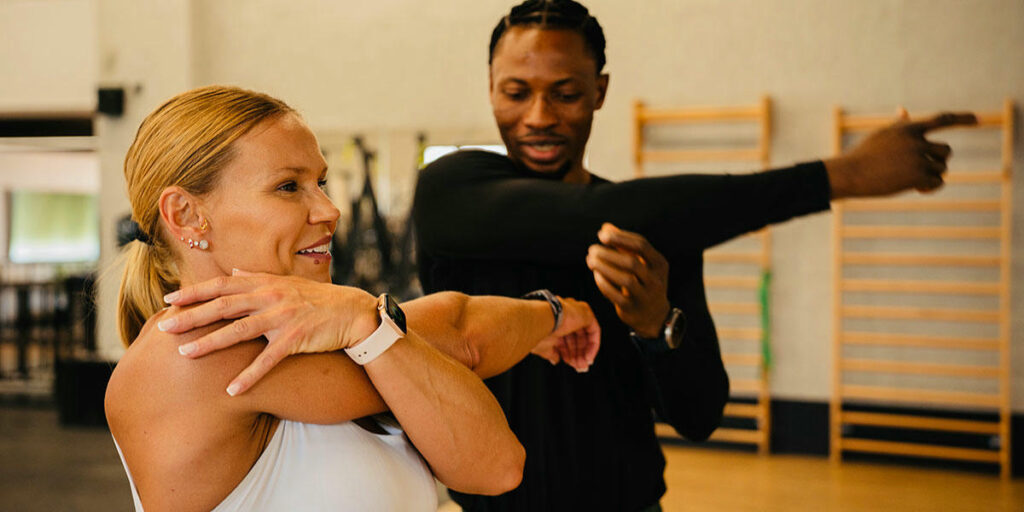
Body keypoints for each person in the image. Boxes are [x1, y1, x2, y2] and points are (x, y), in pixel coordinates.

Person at [409, 1, 979, 511]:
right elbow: (592, 214)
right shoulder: (452, 194)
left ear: (600, 92)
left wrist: (658, 325)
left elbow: (700, 415)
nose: (538, 116)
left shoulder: (656, 230)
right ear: (490, 88)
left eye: (566, 93)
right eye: (516, 93)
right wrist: (842, 175)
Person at [105, 85, 601, 511]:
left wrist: (366, 317)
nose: (329, 209)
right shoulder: (193, 355)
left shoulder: (331, 332)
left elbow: (495, 462)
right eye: (287, 186)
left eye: (319, 182)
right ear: (187, 215)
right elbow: (461, 336)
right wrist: (552, 315)